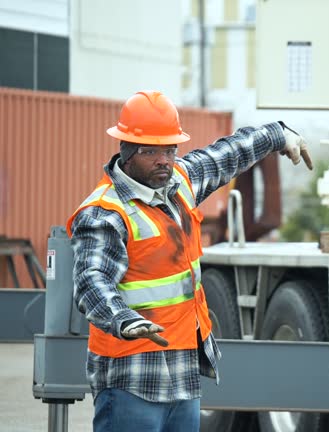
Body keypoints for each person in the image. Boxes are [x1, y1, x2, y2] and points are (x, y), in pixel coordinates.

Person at [66, 90, 312, 432]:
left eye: (170, 149)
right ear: (126, 150)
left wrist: (278, 135)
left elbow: (226, 154)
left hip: (182, 372)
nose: (164, 160)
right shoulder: (104, 213)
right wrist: (122, 318)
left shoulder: (179, 182)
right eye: (152, 151)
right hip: (132, 376)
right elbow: (91, 281)